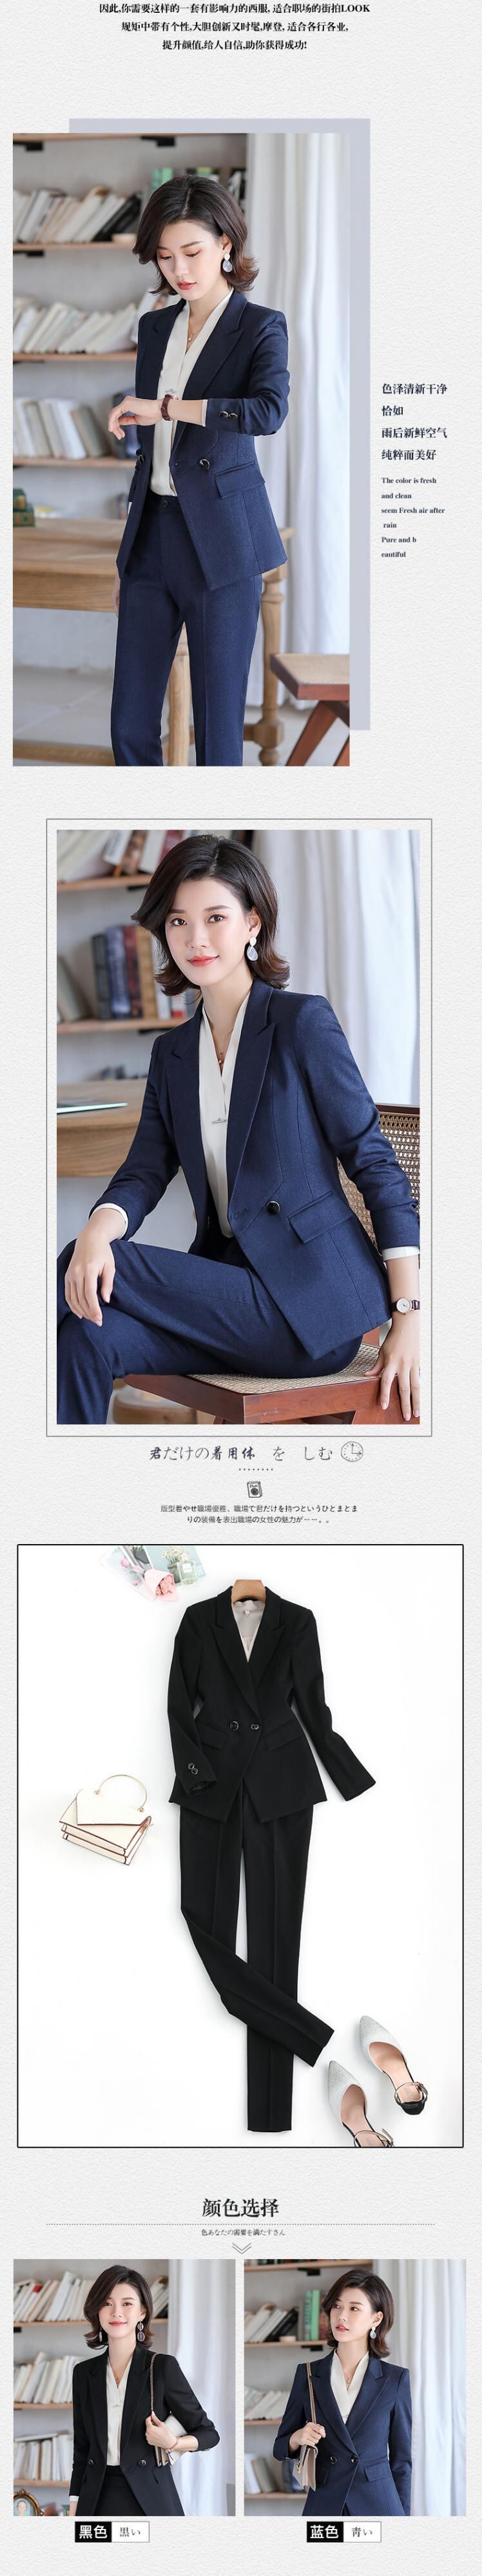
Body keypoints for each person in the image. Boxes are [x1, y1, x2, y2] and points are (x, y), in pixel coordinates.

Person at [57, 835, 420, 1426]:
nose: (195, 939)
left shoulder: (301, 1023)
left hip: (310, 1308)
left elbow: (375, 1163)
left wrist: (410, 1315)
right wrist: (102, 1222)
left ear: (253, 923)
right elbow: (145, 1170)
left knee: (79, 1263)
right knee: (84, 1336)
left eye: (215, 918)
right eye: (178, 921)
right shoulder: (173, 1054)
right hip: (228, 1296)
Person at [108, 177, 289, 765]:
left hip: (222, 540)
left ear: (226, 245)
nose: (179, 270)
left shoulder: (261, 326)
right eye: (165, 256)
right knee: (129, 724)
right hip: (151, 534)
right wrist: (130, 545)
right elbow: (152, 449)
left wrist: (165, 407)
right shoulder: (155, 327)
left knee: (217, 733)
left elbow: (267, 413)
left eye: (192, 252)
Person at [68, 2264, 218, 2519]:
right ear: (97, 2311)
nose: (116, 2312)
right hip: (95, 2500)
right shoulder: (83, 2373)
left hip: (150, 2500)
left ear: (142, 2312)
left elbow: (209, 2434)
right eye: (107, 2303)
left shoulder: (162, 2367)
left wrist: (173, 2443)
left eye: (127, 2304)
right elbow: (82, 2450)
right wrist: (74, 2506)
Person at [273, 2267, 412, 2517]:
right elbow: (280, 2447)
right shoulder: (308, 2374)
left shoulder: (395, 2379)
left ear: (376, 2319)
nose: (341, 2316)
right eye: (337, 2306)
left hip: (379, 2503)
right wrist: (298, 2437)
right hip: (326, 2501)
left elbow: (402, 2462)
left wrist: (404, 2519)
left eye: (354, 2309)